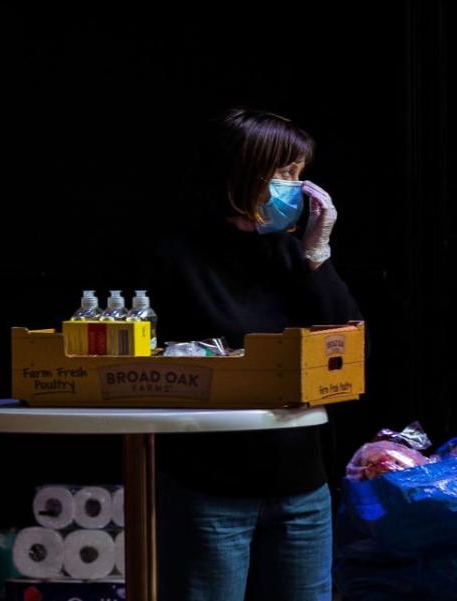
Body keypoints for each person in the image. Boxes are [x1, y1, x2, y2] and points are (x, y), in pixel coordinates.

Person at [149, 108, 362, 601]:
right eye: (285, 174)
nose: (295, 188)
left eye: (300, 175)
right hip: (210, 488)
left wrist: (318, 254)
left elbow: (345, 339)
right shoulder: (177, 255)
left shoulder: (291, 253)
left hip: (301, 486)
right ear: (243, 171)